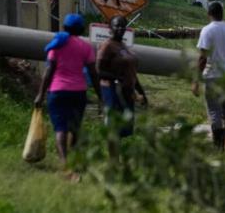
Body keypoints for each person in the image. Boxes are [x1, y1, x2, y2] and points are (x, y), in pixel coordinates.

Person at [34, 14, 101, 168]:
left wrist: (40, 94)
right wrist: (100, 95)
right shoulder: (86, 47)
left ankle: (64, 163)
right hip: (78, 93)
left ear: (64, 27)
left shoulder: (57, 44)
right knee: (75, 128)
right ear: (82, 30)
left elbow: (49, 70)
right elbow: (93, 73)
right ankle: (74, 159)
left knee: (60, 129)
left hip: (57, 92)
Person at [192, 2, 225, 151]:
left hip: (213, 76)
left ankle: (218, 145)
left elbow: (202, 58)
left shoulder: (207, 31)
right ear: (222, 14)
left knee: (215, 111)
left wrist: (195, 80)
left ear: (209, 15)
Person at [97, 15, 146, 143]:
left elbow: (131, 73)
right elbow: (98, 70)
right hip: (113, 91)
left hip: (127, 92)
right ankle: (113, 160)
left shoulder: (122, 46)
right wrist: (117, 77)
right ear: (110, 28)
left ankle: (118, 158)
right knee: (114, 128)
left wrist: (141, 92)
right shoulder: (107, 46)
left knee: (125, 129)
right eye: (116, 25)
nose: (120, 28)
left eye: (122, 26)